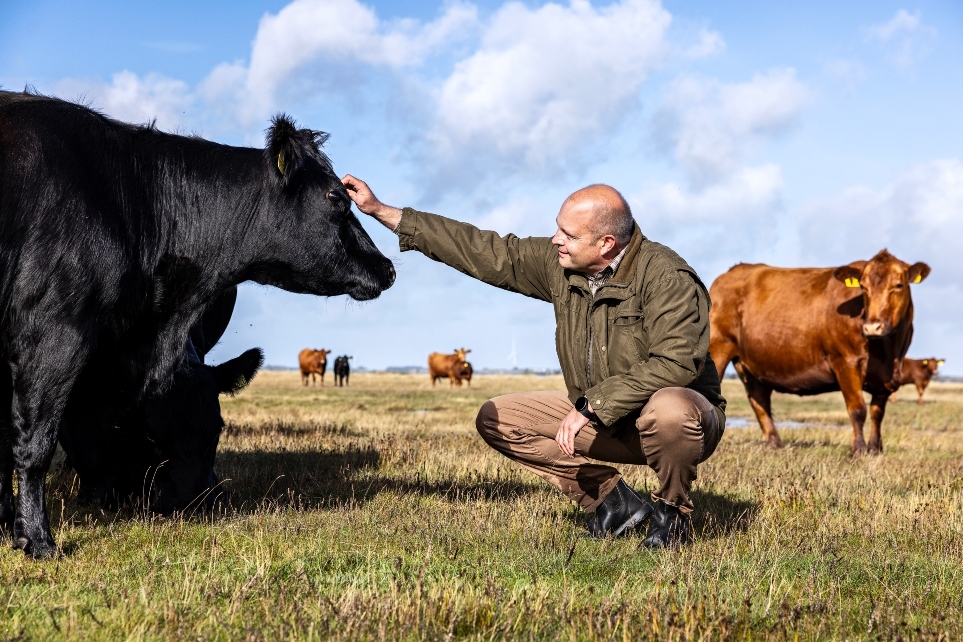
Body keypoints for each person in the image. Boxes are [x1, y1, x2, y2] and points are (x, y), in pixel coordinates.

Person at [342, 176, 725, 549]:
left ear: (607, 243)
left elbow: (676, 362)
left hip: (672, 425)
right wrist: (381, 211)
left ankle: (672, 514)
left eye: (569, 235)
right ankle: (612, 500)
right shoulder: (559, 264)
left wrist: (592, 405)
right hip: (604, 420)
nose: (557, 239)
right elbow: (482, 250)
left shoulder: (666, 276)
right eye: (558, 229)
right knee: (497, 418)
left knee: (671, 409)